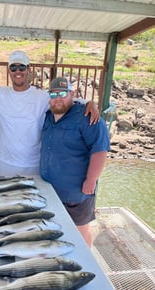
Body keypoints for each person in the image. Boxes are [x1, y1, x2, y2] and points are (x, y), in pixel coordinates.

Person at [0, 50, 99, 176]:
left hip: (34, 165)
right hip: (6, 165)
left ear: (29, 69)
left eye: (21, 67)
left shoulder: (41, 96)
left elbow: (65, 100)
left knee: (31, 213)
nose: (18, 71)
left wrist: (90, 103)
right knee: (6, 211)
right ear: (9, 71)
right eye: (13, 67)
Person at [40, 77, 110, 248]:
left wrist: (91, 180)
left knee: (81, 229)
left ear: (72, 94)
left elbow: (100, 150)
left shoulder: (88, 117)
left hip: (76, 192)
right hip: (51, 189)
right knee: (54, 227)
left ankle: (87, 263)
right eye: (54, 93)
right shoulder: (49, 115)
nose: (58, 98)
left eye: (63, 93)